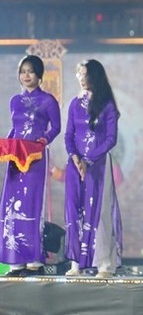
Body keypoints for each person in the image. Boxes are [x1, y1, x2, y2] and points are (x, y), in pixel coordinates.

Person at [0, 55, 61, 277]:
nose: (26, 75)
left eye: (31, 71)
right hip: (16, 159)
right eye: (23, 71)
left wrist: (44, 140)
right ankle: (16, 263)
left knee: (32, 205)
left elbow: (56, 127)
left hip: (35, 159)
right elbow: (15, 128)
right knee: (11, 206)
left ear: (39, 75)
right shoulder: (14, 101)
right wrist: (6, 145)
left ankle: (34, 261)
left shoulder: (48, 100)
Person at [64, 59, 122, 278]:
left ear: (95, 76)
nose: (81, 78)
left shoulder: (107, 105)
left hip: (98, 166)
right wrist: (75, 158)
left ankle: (104, 263)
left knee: (100, 212)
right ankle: (76, 263)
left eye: (85, 73)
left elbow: (111, 139)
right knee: (74, 210)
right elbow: (69, 135)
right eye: (79, 73)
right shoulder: (74, 104)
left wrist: (89, 159)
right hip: (75, 166)